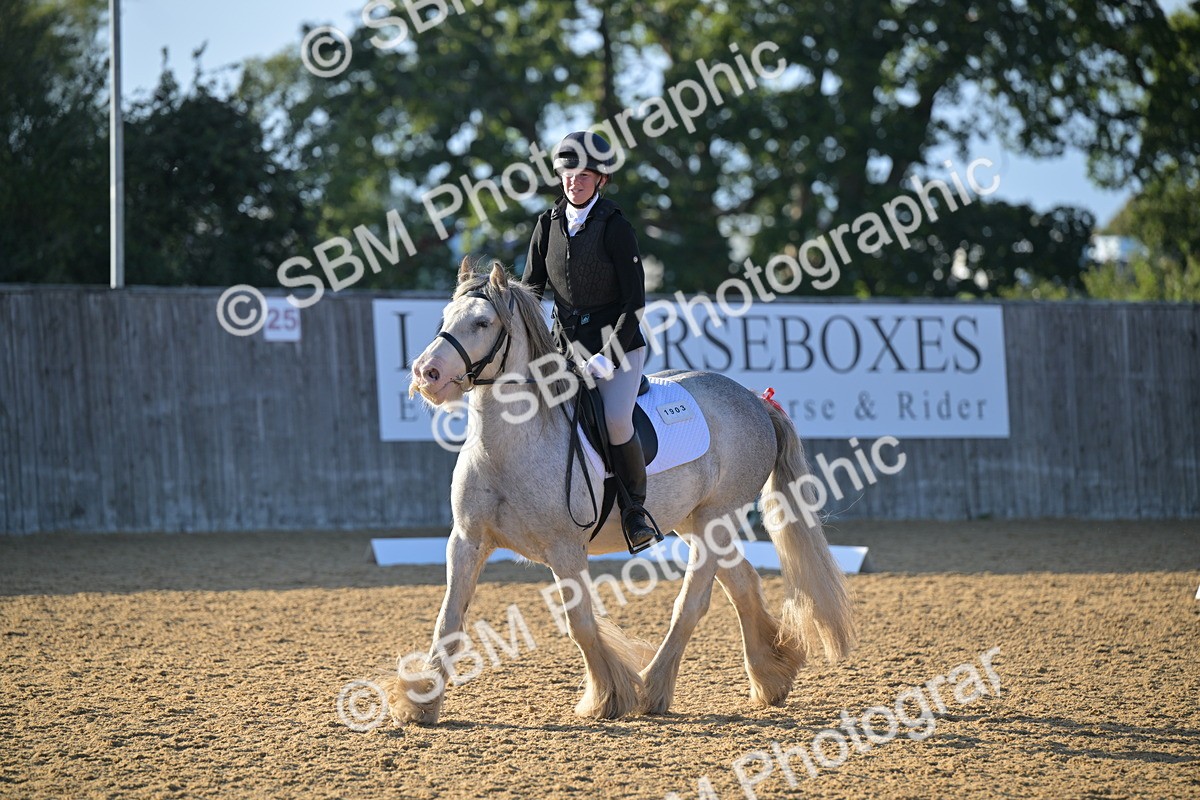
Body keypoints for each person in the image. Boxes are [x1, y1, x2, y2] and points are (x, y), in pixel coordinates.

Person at [521, 131, 661, 553]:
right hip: (564, 348)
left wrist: (607, 356)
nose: (574, 182)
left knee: (616, 420)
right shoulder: (547, 225)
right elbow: (531, 291)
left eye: (584, 175)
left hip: (618, 344)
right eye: (568, 173)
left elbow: (634, 302)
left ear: (601, 180)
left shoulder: (616, 226)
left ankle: (636, 512)